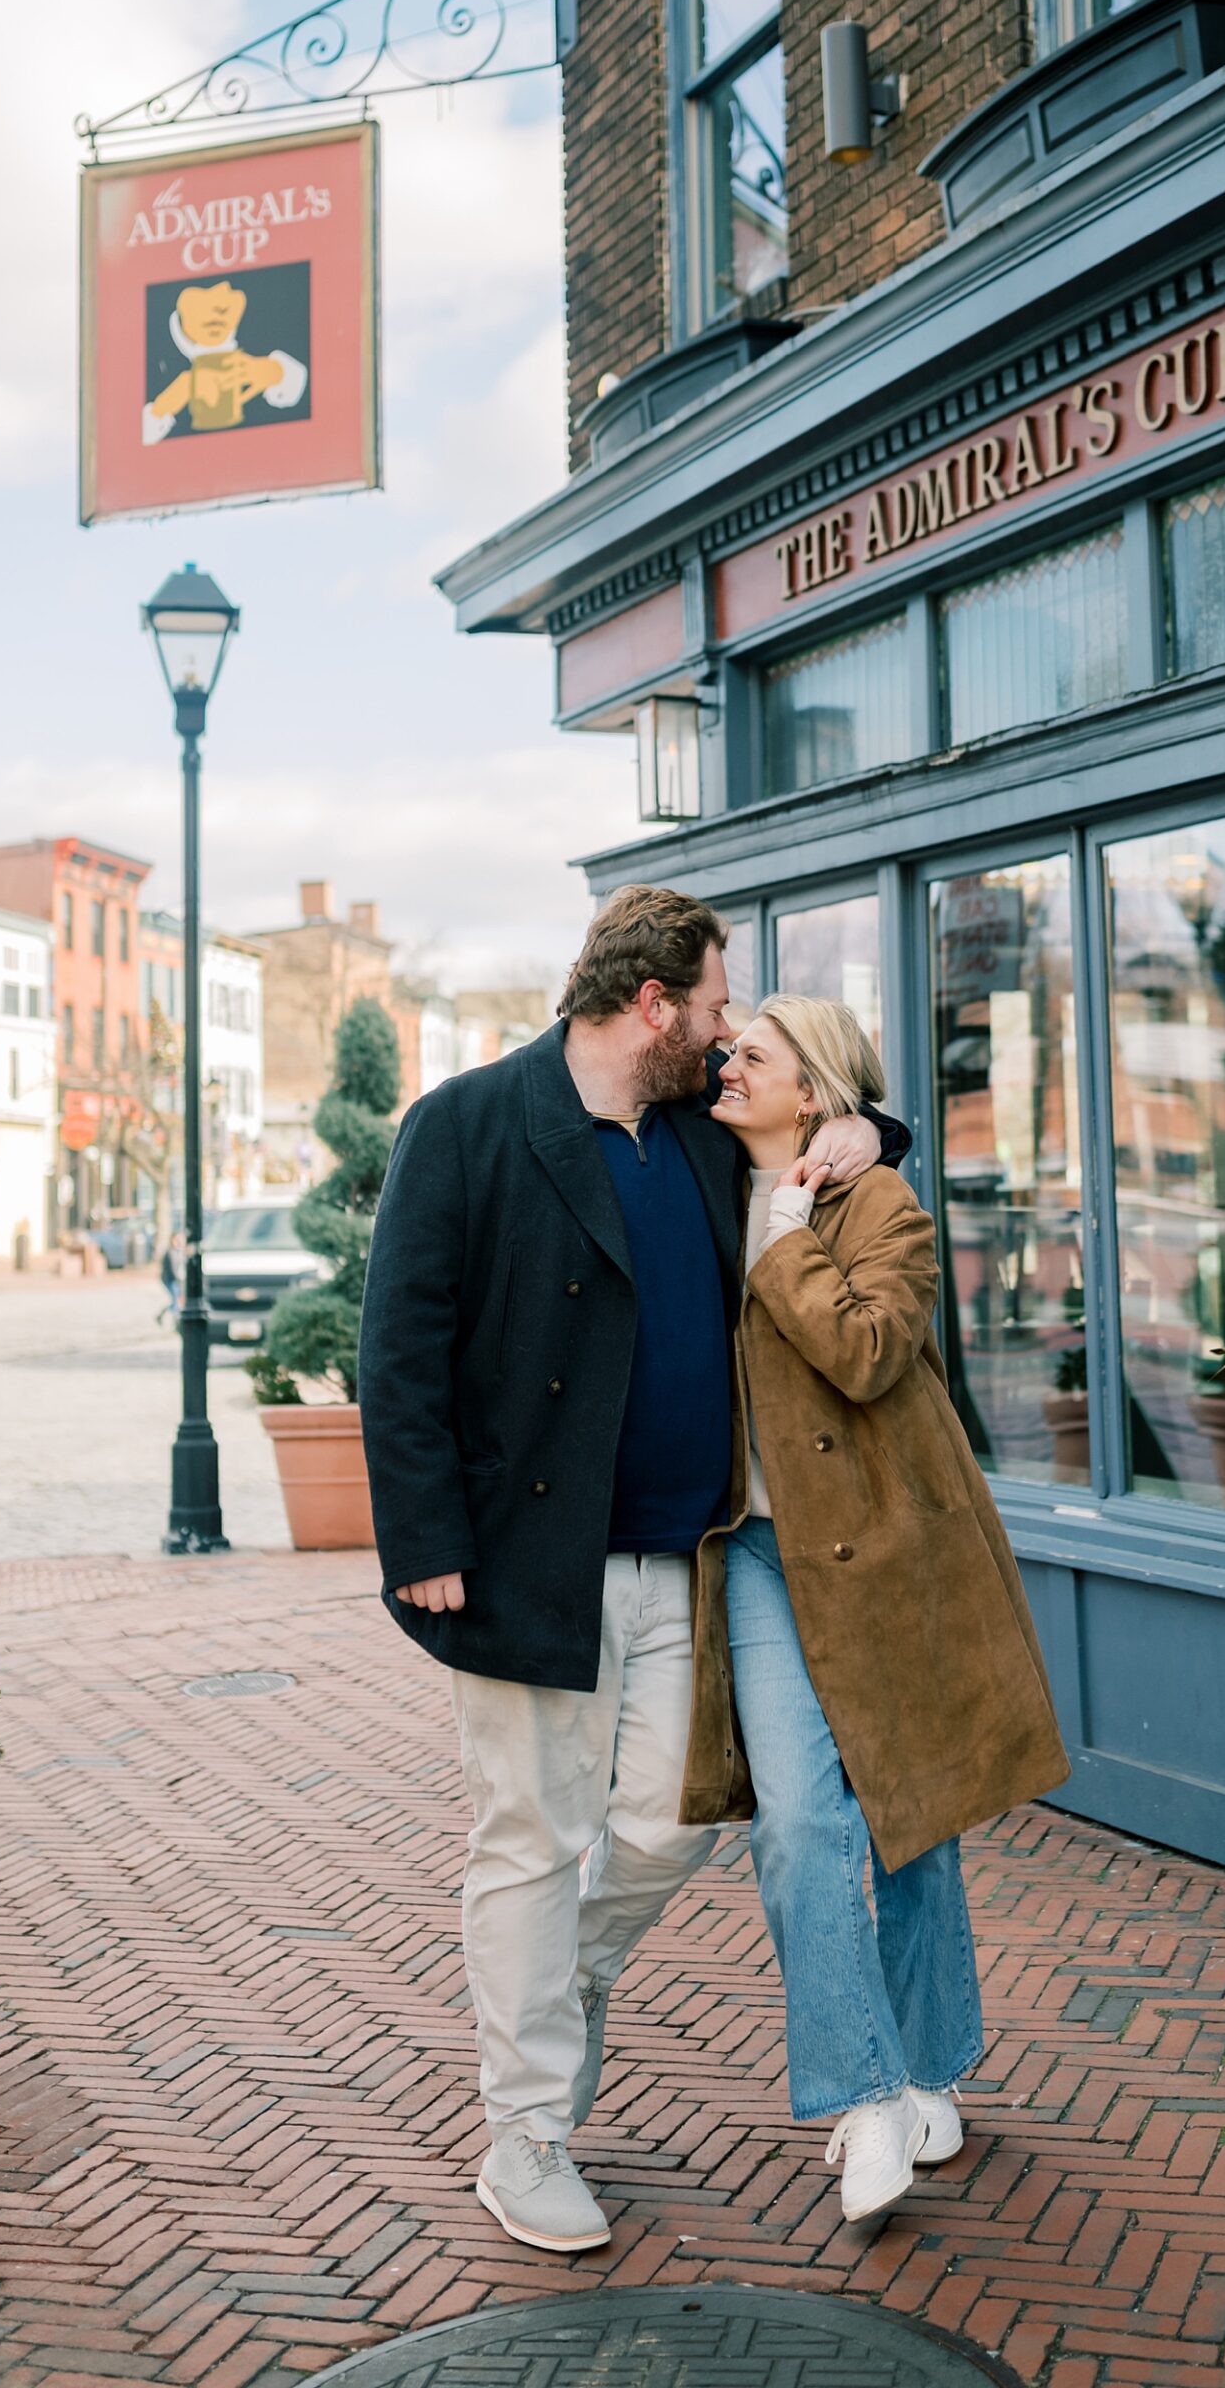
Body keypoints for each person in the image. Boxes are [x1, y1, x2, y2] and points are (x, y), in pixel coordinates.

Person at [357, 888, 903, 2256]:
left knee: (671, 1822)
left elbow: (837, 1138)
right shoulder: (472, 1123)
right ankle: (527, 2133)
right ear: (652, 1004)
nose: (728, 1037)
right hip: (524, 1564)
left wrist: (866, 1128)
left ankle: (566, 1978)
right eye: (715, 1007)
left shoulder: (699, 1142)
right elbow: (400, 1347)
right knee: (529, 1843)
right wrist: (424, 1540)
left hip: (688, 1554)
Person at [698, 993, 1070, 2222]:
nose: (724, 1061)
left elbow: (867, 1351)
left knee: (915, 1816)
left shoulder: (879, 1206)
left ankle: (927, 2068)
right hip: (757, 1552)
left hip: (888, 1549)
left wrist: (792, 1225)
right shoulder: (705, 1174)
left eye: (751, 1052)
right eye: (726, 1045)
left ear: (810, 1090)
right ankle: (865, 2098)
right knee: (803, 1826)